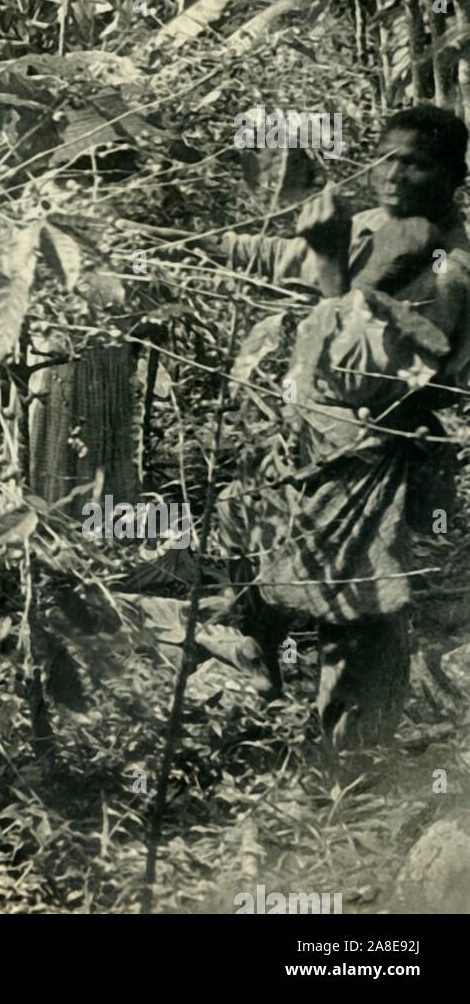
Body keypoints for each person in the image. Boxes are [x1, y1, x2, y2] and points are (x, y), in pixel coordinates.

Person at [148, 104, 470, 751]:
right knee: (261, 561)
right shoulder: (380, 227)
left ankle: (351, 776)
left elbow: (353, 374)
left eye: (419, 163)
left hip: (375, 459)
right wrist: (180, 240)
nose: (397, 173)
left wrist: (327, 265)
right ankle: (264, 683)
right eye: (389, 156)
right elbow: (284, 256)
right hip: (310, 447)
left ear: (454, 179)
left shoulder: (449, 271)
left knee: (357, 617)